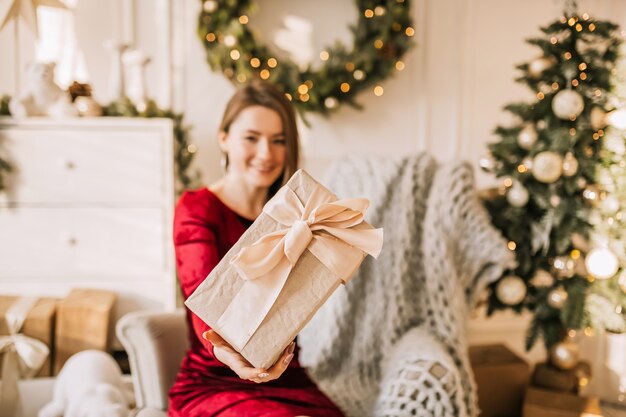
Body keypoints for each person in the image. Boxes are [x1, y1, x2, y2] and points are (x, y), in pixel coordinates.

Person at [168, 80, 344, 417]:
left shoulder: (297, 217)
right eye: (251, 138)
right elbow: (202, 306)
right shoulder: (198, 208)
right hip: (216, 380)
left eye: (279, 141)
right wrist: (229, 354)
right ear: (224, 139)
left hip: (290, 380)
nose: (266, 153)